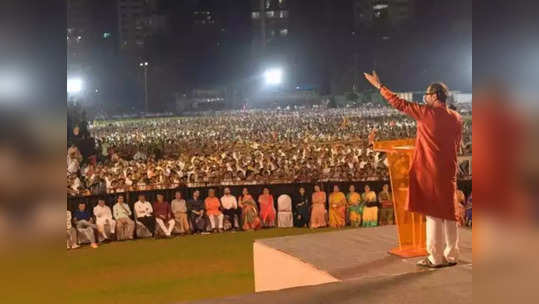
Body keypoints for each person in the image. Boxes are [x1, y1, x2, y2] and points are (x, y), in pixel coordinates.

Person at [365, 71, 462, 268]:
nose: (425, 97)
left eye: (427, 94)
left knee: (433, 214)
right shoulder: (457, 117)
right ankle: (452, 255)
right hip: (449, 170)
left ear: (435, 96)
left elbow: (399, 103)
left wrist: (380, 86)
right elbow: (456, 143)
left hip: (430, 171)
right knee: (449, 212)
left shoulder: (427, 113)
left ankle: (435, 257)